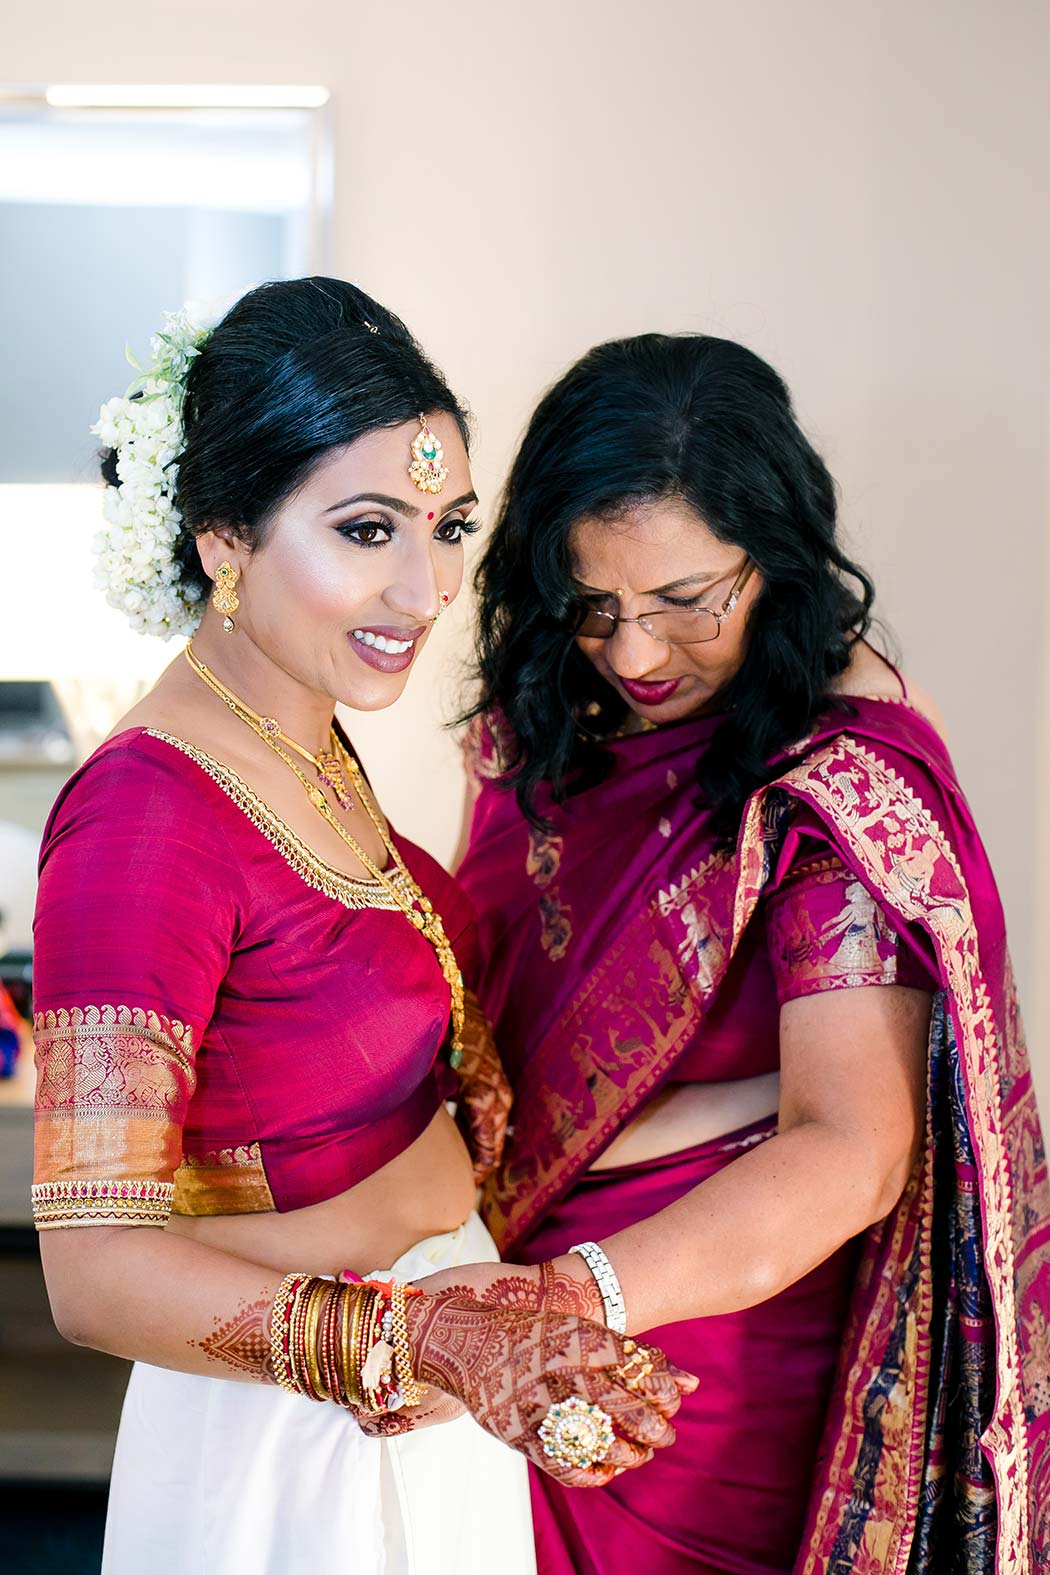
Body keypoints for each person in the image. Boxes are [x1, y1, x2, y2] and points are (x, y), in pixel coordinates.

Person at [31, 281, 693, 1575]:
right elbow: (94, 1272)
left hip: (422, 1379)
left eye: (446, 526)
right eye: (367, 527)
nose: (427, 583)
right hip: (288, 1433)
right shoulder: (143, 821)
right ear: (225, 537)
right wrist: (417, 1341)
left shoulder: (304, 736)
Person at [450, 333, 1050, 1572]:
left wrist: (570, 1305)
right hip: (504, 1338)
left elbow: (850, 1144)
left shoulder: (834, 783)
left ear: (774, 560)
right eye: (592, 606)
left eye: (686, 603)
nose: (634, 655)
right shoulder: (547, 713)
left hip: (696, 1376)